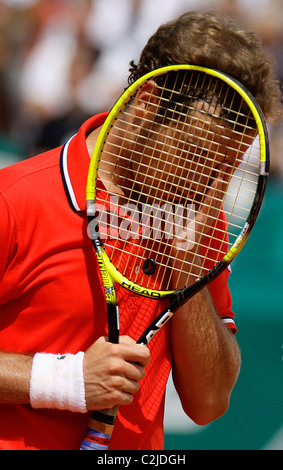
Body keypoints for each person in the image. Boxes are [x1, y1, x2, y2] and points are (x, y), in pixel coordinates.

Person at [0, 11, 281, 451]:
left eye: (225, 169)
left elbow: (209, 402)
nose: (206, 184)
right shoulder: (14, 200)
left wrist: (187, 271)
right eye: (198, 154)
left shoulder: (199, 216)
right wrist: (65, 382)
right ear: (147, 103)